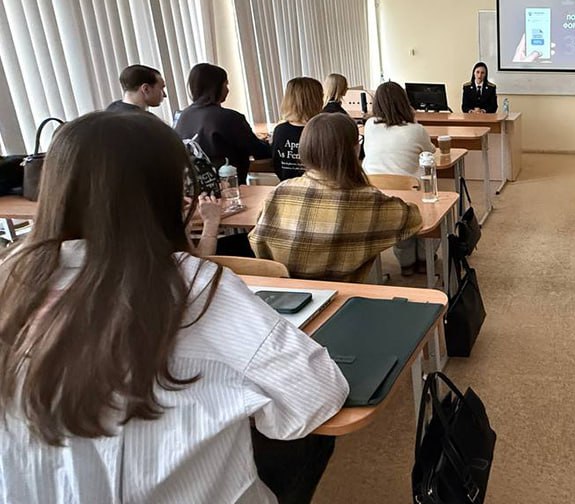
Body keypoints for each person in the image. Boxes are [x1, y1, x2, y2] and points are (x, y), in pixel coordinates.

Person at [0, 111, 348, 504]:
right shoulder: (192, 284)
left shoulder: (10, 276)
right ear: (165, 192)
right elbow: (318, 392)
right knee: (308, 438)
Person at [251, 113, 423, 282]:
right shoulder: (366, 199)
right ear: (355, 149)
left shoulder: (280, 192)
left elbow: (258, 241)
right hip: (343, 293)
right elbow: (412, 219)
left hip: (286, 292)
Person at [361, 82, 436, 275]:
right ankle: (424, 258)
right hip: (410, 197)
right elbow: (430, 152)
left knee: (402, 211)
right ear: (405, 102)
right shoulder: (416, 129)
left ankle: (406, 263)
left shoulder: (369, 126)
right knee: (434, 204)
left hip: (375, 197)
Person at [174, 63, 271, 183]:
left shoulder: (182, 116)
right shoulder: (230, 118)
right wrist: (273, 143)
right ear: (216, 87)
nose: (228, 89)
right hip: (229, 187)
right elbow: (259, 151)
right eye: (226, 84)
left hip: (196, 187)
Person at [272, 77, 323, 181]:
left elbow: (276, 163)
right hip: (318, 186)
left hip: (287, 186)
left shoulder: (280, 130)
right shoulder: (322, 130)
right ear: (317, 100)